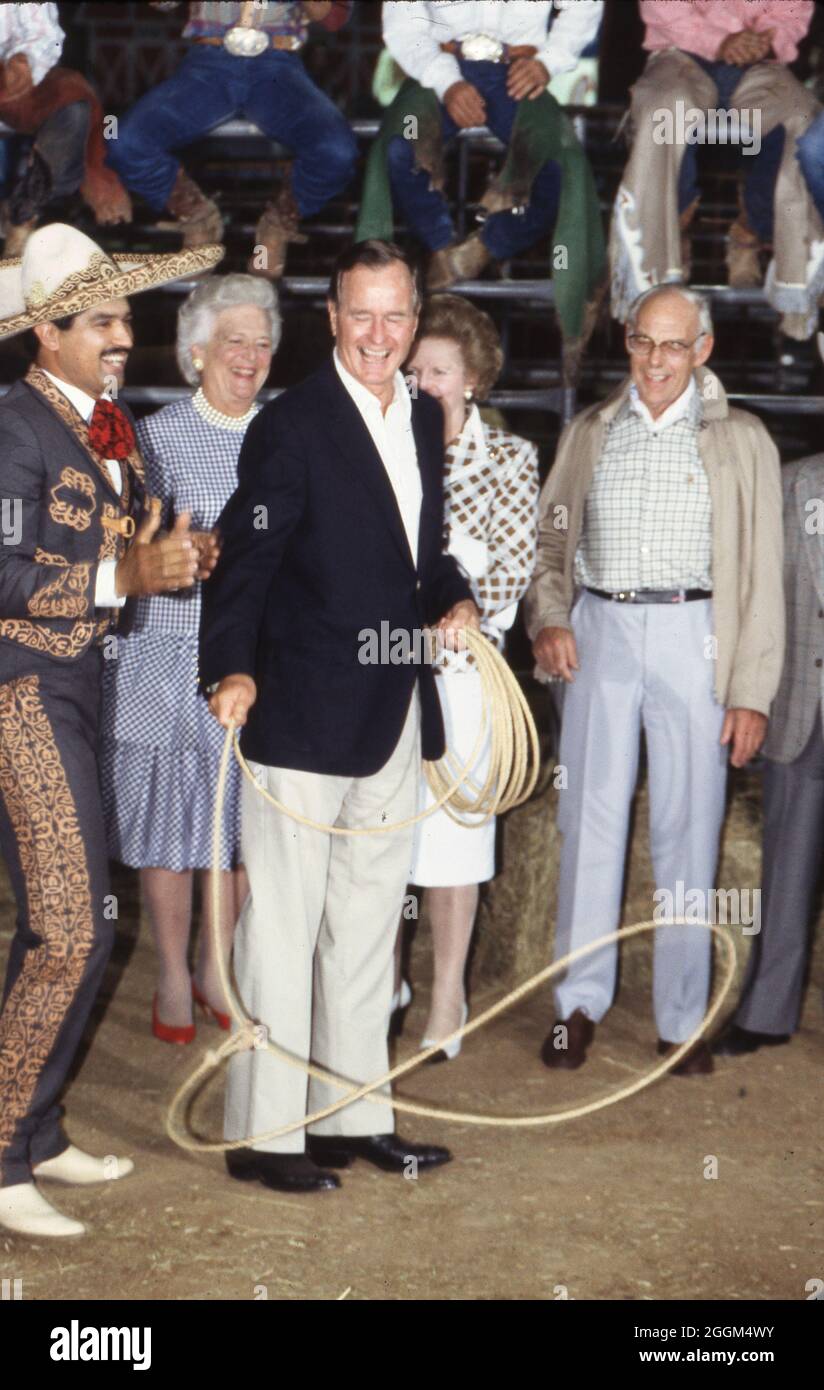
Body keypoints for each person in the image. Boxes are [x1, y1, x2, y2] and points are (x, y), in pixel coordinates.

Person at [199, 239, 480, 1195]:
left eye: (395, 315)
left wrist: (456, 596)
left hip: (394, 707)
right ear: (330, 316)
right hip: (303, 708)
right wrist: (231, 669)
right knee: (281, 923)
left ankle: (355, 1117)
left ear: (415, 320)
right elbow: (248, 561)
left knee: (367, 925)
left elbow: (420, 556)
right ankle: (267, 1135)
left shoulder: (425, 416)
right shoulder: (293, 426)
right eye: (360, 313)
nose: (377, 333)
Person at [0, 222, 224, 1238]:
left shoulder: (107, 425)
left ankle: (35, 1129)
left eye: (126, 315)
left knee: (73, 918)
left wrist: (169, 548)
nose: (123, 333)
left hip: (79, 680)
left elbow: (128, 539)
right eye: (102, 319)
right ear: (46, 332)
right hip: (22, 689)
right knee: (72, 923)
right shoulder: (14, 425)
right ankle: (5, 1153)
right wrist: (124, 575)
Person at [524, 285, 784, 1078]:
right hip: (603, 628)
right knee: (589, 821)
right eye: (643, 342)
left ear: (702, 350)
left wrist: (750, 690)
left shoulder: (742, 440)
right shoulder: (594, 430)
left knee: (689, 827)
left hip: (696, 633)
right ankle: (578, 1004)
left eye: (675, 345)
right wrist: (551, 618)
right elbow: (551, 542)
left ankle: (681, 1019)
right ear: (628, 343)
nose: (656, 360)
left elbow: (765, 574)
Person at [101, 274, 279, 1045]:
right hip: (165, 652)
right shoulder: (155, 437)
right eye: (233, 340)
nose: (249, 355)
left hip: (252, 661)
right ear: (196, 350)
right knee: (169, 828)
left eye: (262, 342)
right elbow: (123, 548)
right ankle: (173, 973)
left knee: (238, 828)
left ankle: (220, 968)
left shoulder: (288, 433)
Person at [401, 294, 539, 1059]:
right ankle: (381, 979)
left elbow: (513, 569)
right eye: (414, 367)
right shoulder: (385, 447)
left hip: (463, 674)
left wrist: (460, 615)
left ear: (474, 378)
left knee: (455, 838)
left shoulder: (511, 460)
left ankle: (447, 992)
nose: (424, 381)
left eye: (440, 370)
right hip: (387, 666)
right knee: (378, 833)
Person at [610, 0, 821, 341]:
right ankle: (668, 241)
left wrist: (763, 40)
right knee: (662, 116)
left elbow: (793, 9)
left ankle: (753, 230)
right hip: (681, 54)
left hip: (759, 62)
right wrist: (720, 41)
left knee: (801, 118)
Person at [715, 414, 824, 1056]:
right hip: (804, 710)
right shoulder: (792, 487)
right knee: (786, 871)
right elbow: (760, 600)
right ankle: (764, 1014)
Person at [371, 0, 604, 295]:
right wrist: (448, 83)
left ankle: (484, 247)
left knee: (565, 166)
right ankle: (439, 245)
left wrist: (548, 62)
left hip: (518, 72)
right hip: (438, 68)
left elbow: (585, 6)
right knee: (399, 145)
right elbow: (403, 22)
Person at [107, 1, 356, 277]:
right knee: (124, 140)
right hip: (208, 62)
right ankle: (197, 217)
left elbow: (332, 17)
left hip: (278, 66)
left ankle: (279, 223)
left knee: (338, 149)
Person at [0, 1, 130, 255]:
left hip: (8, 82)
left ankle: (23, 217)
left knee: (73, 94)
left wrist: (25, 59)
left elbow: (49, 37)